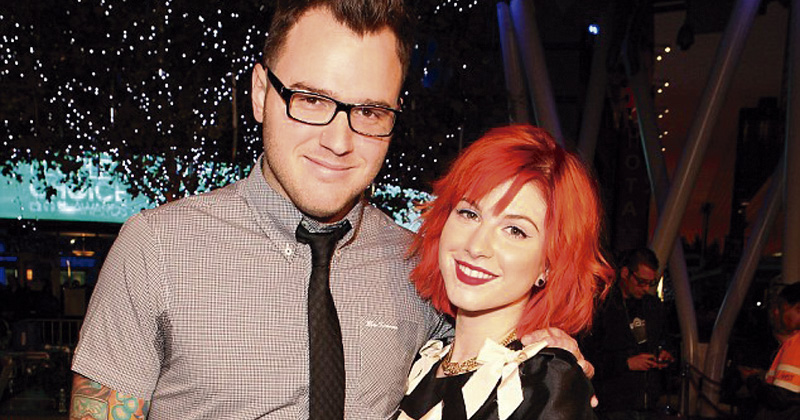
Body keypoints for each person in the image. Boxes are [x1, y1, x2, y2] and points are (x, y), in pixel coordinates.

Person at [69, 2, 586, 419]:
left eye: (369, 111)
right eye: (311, 100)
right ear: (260, 94)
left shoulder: (419, 268)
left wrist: (551, 364)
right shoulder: (156, 249)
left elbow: (484, 362)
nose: (339, 141)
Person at [397, 124, 614, 419]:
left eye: (514, 230)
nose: (476, 246)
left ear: (549, 265)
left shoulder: (545, 383)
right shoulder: (422, 363)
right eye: (469, 213)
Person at [583, 248, 675, 420]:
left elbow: (666, 340)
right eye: (641, 282)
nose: (646, 288)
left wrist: (664, 353)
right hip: (613, 405)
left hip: (649, 403)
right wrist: (626, 363)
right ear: (625, 273)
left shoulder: (653, 306)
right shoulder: (602, 307)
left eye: (651, 283)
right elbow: (589, 358)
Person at [744, 282, 800, 419]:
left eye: (780, 307)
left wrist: (751, 380)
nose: (775, 313)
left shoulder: (796, 343)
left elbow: (781, 398)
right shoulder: (790, 343)